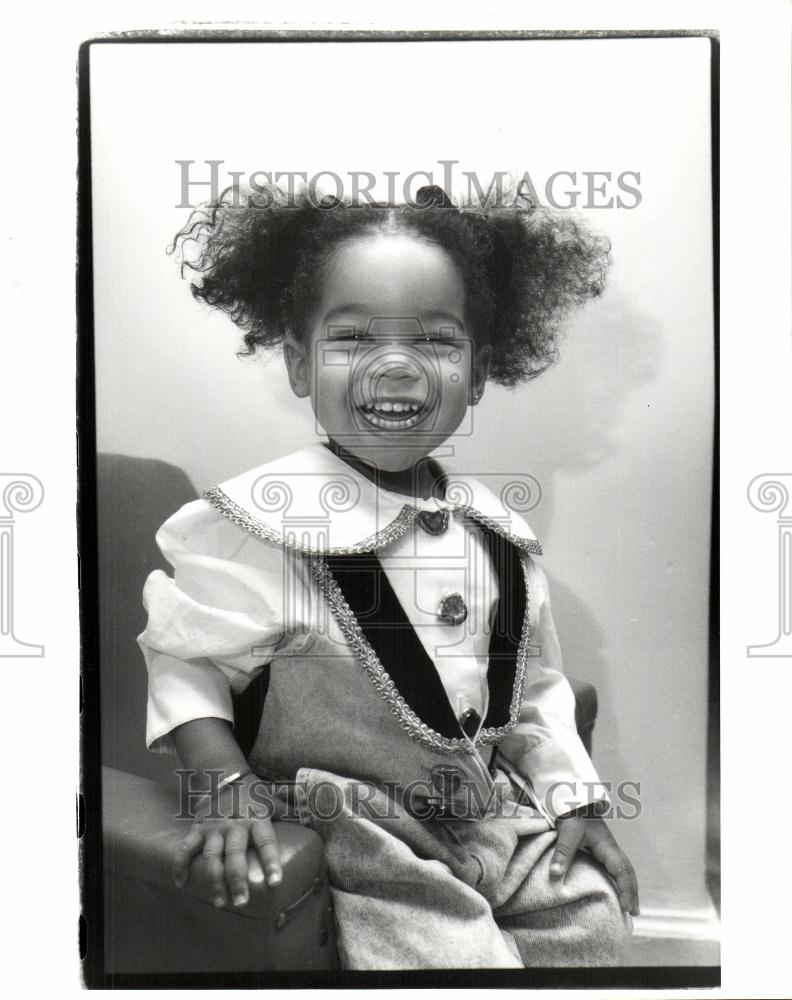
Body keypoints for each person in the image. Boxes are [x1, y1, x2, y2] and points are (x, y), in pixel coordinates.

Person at [138, 183, 639, 970]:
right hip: (360, 828)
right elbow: (186, 660)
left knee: (595, 926)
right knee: (452, 964)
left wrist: (574, 794)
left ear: (478, 374)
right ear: (302, 365)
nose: (396, 369)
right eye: (353, 338)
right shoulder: (266, 523)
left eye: (438, 341)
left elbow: (534, 687)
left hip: (491, 812)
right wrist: (223, 785)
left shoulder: (498, 531)